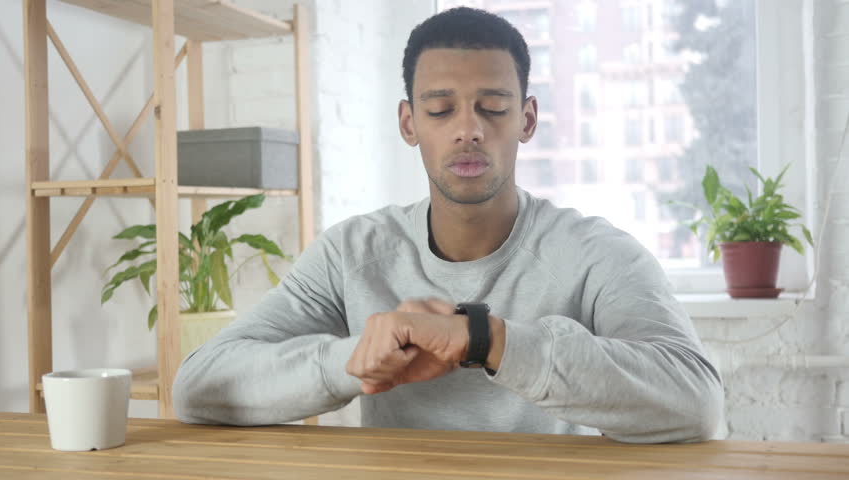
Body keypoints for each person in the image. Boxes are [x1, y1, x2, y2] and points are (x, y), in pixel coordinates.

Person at [173, 7, 723, 443]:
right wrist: (356, 360)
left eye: (492, 107)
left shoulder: (598, 253)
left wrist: (483, 339)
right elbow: (198, 388)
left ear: (526, 119)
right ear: (409, 123)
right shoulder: (350, 253)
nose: (468, 130)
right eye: (440, 110)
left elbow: (696, 403)